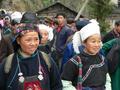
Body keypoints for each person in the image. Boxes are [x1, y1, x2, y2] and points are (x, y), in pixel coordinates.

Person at [0, 23, 62, 90]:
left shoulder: (46, 60)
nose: (33, 43)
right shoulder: (8, 63)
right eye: (28, 40)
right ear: (18, 41)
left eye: (36, 39)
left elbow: (57, 85)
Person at [61, 21, 108, 90]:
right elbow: (65, 82)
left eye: (99, 41)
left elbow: (107, 79)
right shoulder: (75, 61)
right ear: (84, 43)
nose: (97, 45)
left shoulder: (102, 59)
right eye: (93, 41)